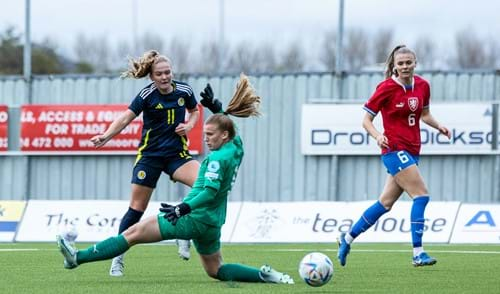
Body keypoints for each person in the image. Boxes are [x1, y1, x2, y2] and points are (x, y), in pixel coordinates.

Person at [58, 74, 294, 285]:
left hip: (194, 217)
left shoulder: (215, 160)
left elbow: (209, 192)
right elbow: (231, 129)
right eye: (204, 135)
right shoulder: (236, 148)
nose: (206, 140)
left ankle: (76, 258)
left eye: (210, 135)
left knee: (133, 234)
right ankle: (264, 275)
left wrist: (182, 208)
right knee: (216, 269)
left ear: (223, 135)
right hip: (213, 220)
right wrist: (217, 107)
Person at [337, 45, 451, 267]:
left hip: (413, 150)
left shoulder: (423, 86)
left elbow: (424, 114)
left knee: (385, 203)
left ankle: (347, 238)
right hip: (393, 150)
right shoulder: (386, 88)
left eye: (409, 62)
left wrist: (439, 126)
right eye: (401, 63)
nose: (405, 66)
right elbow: (366, 121)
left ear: (415, 62)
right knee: (421, 196)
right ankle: (418, 253)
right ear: (394, 66)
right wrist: (378, 136)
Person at [89, 50, 199, 276]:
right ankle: (117, 258)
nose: (165, 77)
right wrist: (106, 135)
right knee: (136, 209)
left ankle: (182, 232)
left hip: (177, 155)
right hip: (150, 157)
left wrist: (189, 126)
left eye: (168, 72)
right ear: (151, 77)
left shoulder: (185, 90)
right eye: (159, 74)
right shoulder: (147, 94)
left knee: (202, 186)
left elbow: (194, 111)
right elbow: (125, 118)